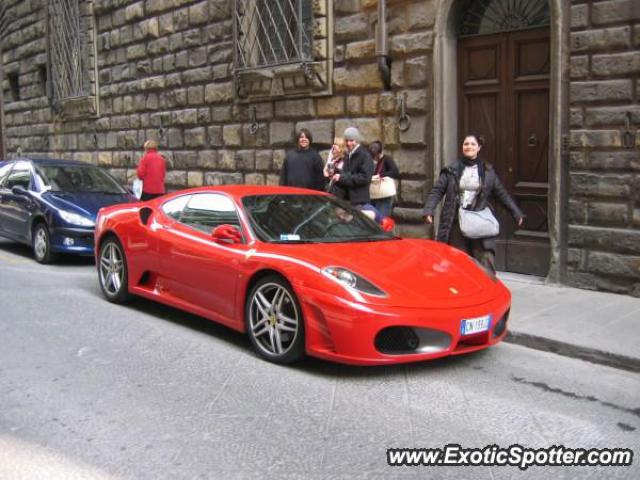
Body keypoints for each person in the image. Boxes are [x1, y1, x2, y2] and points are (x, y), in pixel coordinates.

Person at [423, 133, 524, 273]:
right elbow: (437, 191)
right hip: (456, 222)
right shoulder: (451, 170)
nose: (469, 146)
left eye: (472, 144)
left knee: (485, 259)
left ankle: (488, 290)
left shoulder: (488, 172)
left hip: (479, 221)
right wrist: (429, 210)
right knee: (458, 261)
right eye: (466, 144)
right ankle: (461, 292)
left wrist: (516, 213)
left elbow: (501, 193)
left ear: (479, 148)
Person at [329, 127, 373, 206]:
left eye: (351, 140)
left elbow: (364, 178)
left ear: (357, 140)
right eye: (346, 140)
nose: (349, 143)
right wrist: (336, 172)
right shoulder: (348, 154)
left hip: (359, 201)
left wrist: (341, 177)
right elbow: (348, 173)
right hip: (347, 200)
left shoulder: (365, 156)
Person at [368, 140, 399, 218]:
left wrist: (381, 175)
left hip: (384, 195)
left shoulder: (387, 159)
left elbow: (395, 172)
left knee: (382, 218)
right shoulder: (373, 161)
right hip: (375, 194)